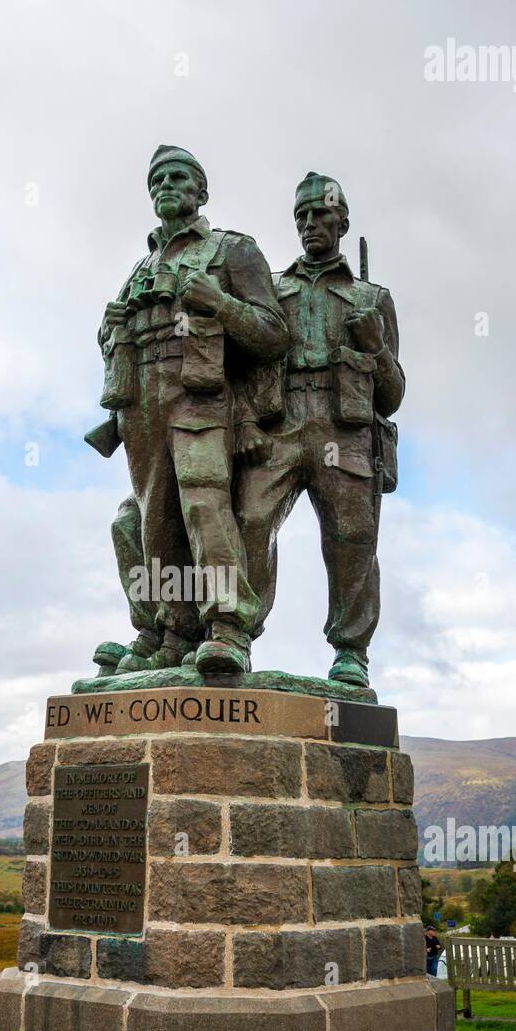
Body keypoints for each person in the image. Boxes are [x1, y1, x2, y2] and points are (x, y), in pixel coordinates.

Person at [90, 145, 288, 676]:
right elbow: (117, 342)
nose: (166, 186)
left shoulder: (232, 250)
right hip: (142, 404)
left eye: (179, 177)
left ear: (201, 192)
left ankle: (227, 626)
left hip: (200, 395)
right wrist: (108, 328)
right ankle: (173, 631)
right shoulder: (140, 268)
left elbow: (273, 337)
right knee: (153, 521)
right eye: (157, 180)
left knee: (204, 504)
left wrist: (219, 303)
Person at [235, 171, 405, 688]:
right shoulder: (273, 289)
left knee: (352, 537)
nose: (310, 223)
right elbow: (241, 366)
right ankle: (236, 634)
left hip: (345, 427)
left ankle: (350, 650)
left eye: (321, 213)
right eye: (302, 215)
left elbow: (393, 396)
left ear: (342, 221)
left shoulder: (373, 297)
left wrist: (375, 348)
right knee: (249, 521)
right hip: (280, 422)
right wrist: (245, 420)